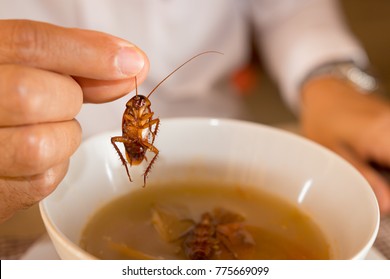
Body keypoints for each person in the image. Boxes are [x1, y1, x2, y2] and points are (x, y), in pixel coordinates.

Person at [0, 0, 389, 224]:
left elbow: (288, 10)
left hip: (228, 145)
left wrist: (328, 76)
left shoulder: (142, 113)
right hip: (37, 170)